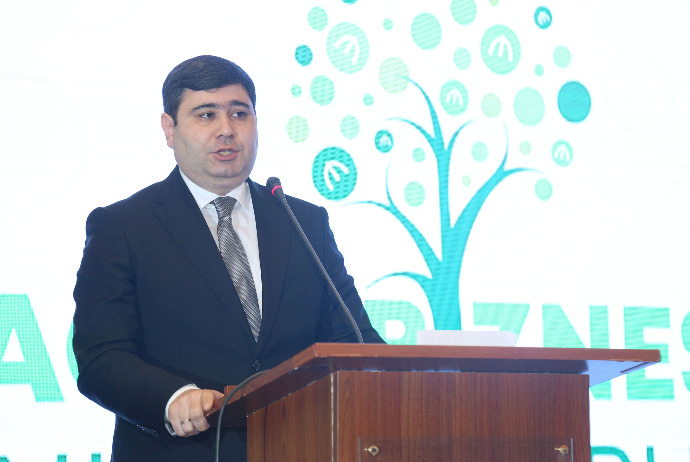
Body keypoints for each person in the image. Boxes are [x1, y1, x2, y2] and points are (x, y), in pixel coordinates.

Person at [72, 55, 384, 462]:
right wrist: (173, 397)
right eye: (206, 115)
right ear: (169, 128)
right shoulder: (124, 227)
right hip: (180, 452)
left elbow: (354, 339)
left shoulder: (303, 221)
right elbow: (101, 356)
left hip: (299, 446)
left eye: (240, 113)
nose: (226, 130)